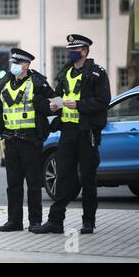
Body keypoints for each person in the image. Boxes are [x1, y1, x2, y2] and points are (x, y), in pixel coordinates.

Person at [32, 34, 111, 235]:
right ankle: (55, 222)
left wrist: (79, 105)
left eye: (74, 50)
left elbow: (103, 100)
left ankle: (88, 222)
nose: (70, 53)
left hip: (87, 133)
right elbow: (60, 97)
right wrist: (54, 105)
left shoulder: (97, 73)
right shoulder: (66, 72)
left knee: (87, 178)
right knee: (63, 176)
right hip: (67, 131)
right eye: (69, 50)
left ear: (84, 51)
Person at [0, 48, 55, 232]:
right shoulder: (5, 84)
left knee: (33, 183)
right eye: (14, 63)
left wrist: (40, 102)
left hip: (30, 140)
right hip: (10, 140)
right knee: (13, 184)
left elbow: (56, 104)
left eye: (19, 63)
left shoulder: (37, 83)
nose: (15, 66)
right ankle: (14, 221)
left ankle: (35, 221)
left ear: (27, 65)